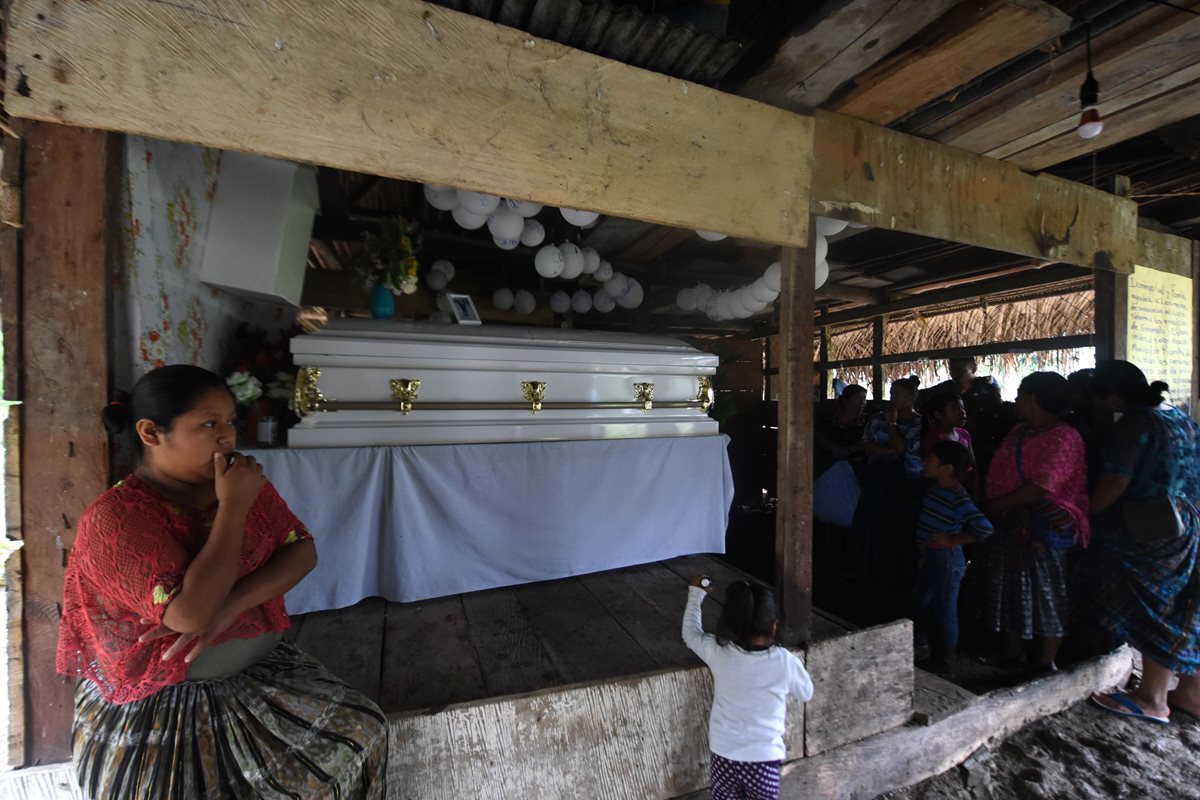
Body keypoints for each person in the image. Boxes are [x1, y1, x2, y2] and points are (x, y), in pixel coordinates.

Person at [57, 365, 387, 798]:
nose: (227, 436)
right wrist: (233, 507)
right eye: (209, 424)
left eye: (230, 422)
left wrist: (232, 605)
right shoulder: (116, 519)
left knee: (364, 733)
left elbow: (302, 550)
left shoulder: (235, 484)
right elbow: (191, 614)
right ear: (151, 434)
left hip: (261, 674)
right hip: (163, 706)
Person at [1084, 361, 1200, 724]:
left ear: (1115, 396)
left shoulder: (1135, 425)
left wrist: (1086, 515)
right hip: (1186, 519)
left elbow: (1116, 482)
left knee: (1155, 607)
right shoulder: (1177, 416)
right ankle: (1190, 693)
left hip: (1150, 529)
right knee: (1183, 604)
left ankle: (1153, 698)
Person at [979, 372, 1089, 676]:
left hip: (1045, 526)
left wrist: (997, 504)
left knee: (1046, 589)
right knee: (1012, 586)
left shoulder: (1065, 437)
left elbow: (1044, 484)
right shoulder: (1019, 432)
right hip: (1012, 522)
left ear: (1034, 401)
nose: (1015, 400)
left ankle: (1045, 661)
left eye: (1020, 396)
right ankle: (1013, 650)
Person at [682, 576, 813, 800]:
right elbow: (806, 692)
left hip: (724, 756)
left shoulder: (719, 653)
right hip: (762, 762)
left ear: (728, 623)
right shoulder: (783, 661)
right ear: (774, 625)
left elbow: (691, 634)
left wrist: (696, 594)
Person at [912, 441, 993, 676]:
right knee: (920, 599)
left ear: (946, 468)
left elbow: (984, 528)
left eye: (930, 460)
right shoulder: (937, 488)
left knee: (945, 609)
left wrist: (952, 540)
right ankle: (921, 642)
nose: (925, 463)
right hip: (932, 557)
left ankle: (945, 660)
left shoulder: (958, 497)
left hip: (946, 559)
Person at [847, 377, 924, 595]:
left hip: (906, 481)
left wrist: (892, 425)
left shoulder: (919, 423)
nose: (893, 397)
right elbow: (866, 444)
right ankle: (870, 570)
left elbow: (904, 448)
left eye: (898, 394)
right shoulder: (877, 418)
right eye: (892, 393)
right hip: (878, 477)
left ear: (912, 397)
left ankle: (899, 574)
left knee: (900, 526)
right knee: (873, 522)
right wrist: (890, 451)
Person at [814, 383, 867, 479]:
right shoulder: (830, 419)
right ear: (846, 401)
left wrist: (849, 451)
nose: (862, 402)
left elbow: (866, 443)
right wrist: (835, 448)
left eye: (864, 399)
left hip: (856, 464)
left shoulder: (866, 421)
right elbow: (821, 436)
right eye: (857, 399)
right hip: (829, 461)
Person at [923, 392, 973, 456]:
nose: (962, 412)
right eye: (954, 409)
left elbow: (971, 461)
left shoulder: (964, 433)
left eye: (962, 408)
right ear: (938, 415)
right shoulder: (934, 439)